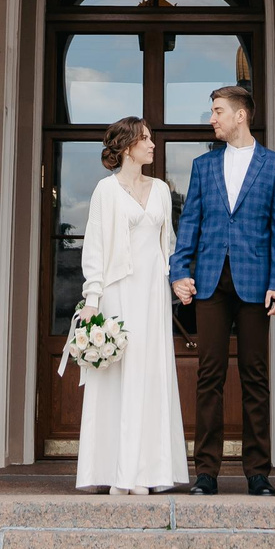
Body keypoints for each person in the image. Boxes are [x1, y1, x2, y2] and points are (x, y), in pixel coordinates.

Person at [169, 83, 275, 496]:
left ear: (241, 115)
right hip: (210, 282)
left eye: (218, 111)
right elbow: (190, 223)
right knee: (210, 376)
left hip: (257, 284)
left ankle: (258, 473)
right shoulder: (203, 166)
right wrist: (177, 270)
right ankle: (206, 472)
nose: (212, 119)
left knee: (256, 377)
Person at [72, 115, 189, 495]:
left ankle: (147, 472)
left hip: (152, 295)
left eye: (152, 138)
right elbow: (95, 247)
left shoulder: (159, 190)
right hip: (118, 292)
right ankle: (115, 470)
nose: (153, 145)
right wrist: (92, 297)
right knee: (119, 378)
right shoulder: (105, 192)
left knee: (150, 376)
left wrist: (178, 281)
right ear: (127, 148)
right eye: (146, 139)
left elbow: (167, 244)